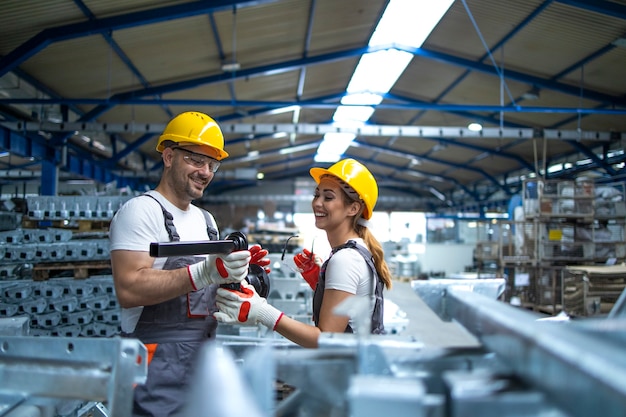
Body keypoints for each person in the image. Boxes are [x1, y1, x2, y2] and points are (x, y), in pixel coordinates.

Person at [109, 111, 269, 417]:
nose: (205, 171)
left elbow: (208, 291)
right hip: (154, 367)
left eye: (212, 164)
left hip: (203, 360)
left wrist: (243, 279)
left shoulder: (206, 220)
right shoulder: (141, 211)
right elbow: (129, 288)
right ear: (169, 156)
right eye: (196, 160)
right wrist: (205, 271)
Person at [215, 158, 393, 348]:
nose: (317, 203)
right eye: (316, 195)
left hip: (347, 372)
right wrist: (320, 283)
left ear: (354, 208)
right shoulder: (359, 251)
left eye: (328, 197)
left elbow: (325, 339)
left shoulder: (345, 259)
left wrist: (262, 311)